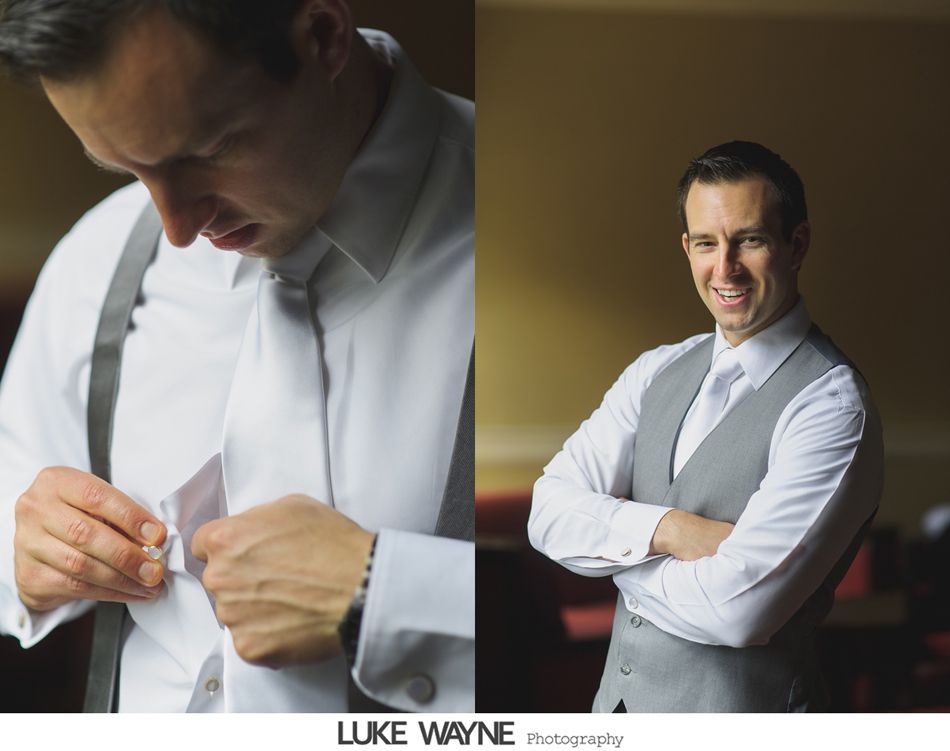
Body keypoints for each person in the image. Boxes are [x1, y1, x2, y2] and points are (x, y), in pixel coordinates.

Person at [0, 0, 473, 712]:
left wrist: (395, 592)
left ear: (322, 36)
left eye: (209, 149)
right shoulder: (98, 259)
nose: (177, 227)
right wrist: (26, 551)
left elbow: (656, 592)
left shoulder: (536, 222)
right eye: (121, 166)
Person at [529, 141, 883, 712]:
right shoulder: (655, 370)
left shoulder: (833, 406)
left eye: (750, 239)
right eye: (705, 243)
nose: (726, 269)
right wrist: (671, 530)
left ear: (797, 245)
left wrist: (614, 559)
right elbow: (546, 512)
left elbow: (738, 611)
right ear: (686, 248)